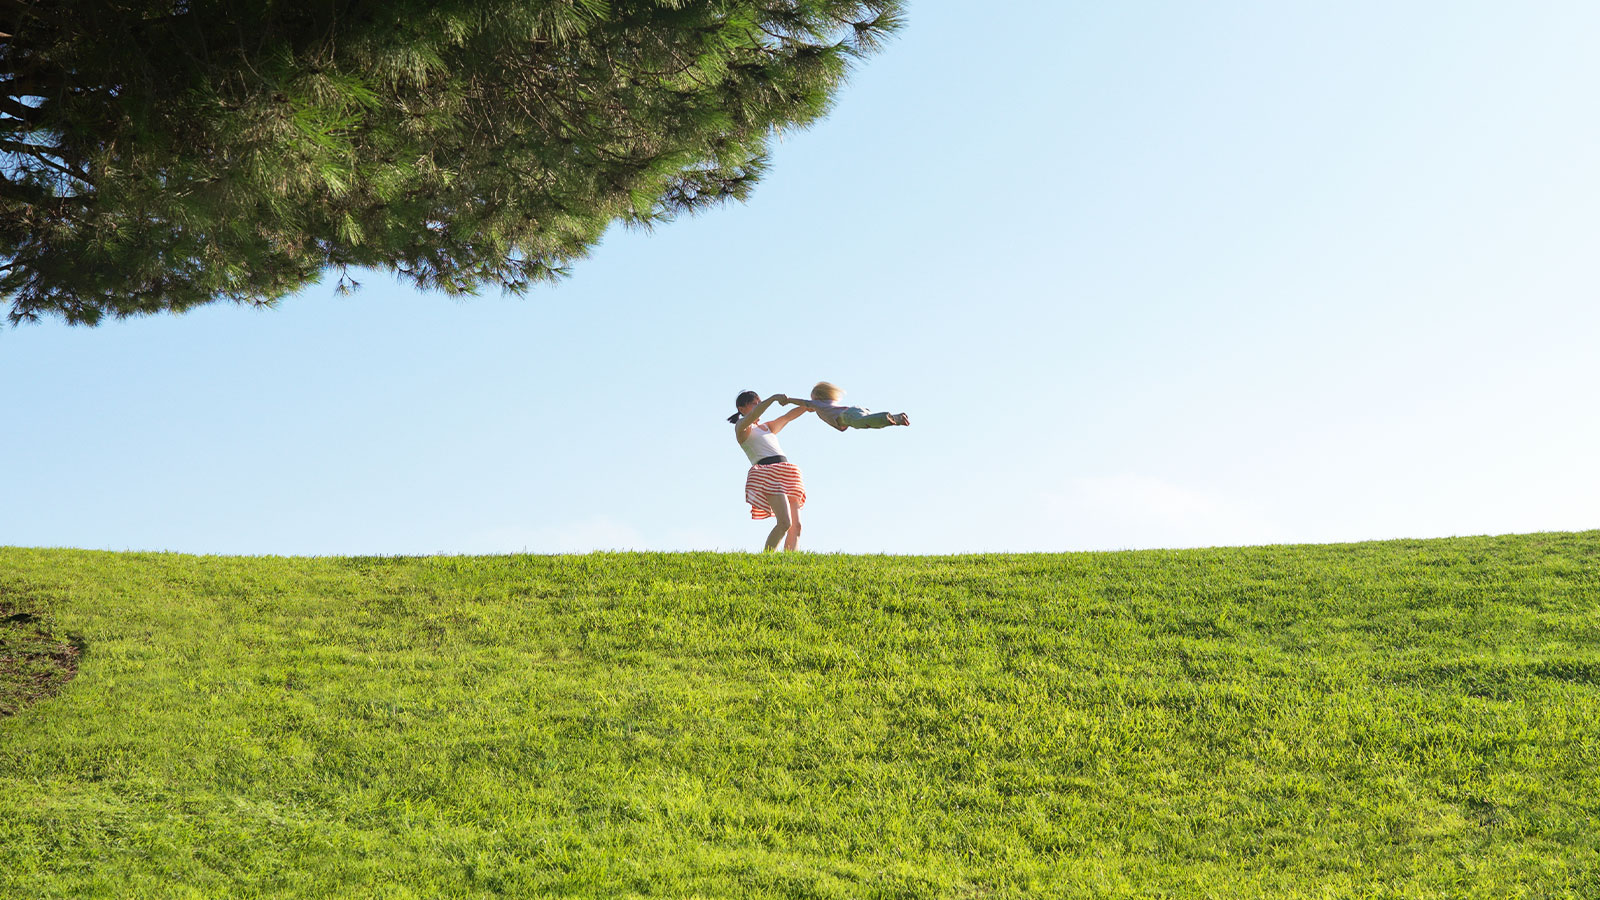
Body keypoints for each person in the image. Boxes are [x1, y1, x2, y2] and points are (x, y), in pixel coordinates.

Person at [729, 390, 811, 551]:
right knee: (784, 523)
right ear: (742, 408)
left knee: (797, 526)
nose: (758, 406)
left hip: (786, 472)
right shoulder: (742, 427)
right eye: (755, 403)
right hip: (767, 473)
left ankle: (790, 565)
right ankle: (767, 559)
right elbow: (753, 416)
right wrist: (772, 399)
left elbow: (788, 417)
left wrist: (810, 405)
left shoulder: (767, 427)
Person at [781, 381, 910, 432]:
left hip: (848, 415)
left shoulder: (819, 404)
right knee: (868, 424)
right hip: (852, 412)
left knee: (864, 422)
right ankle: (897, 419)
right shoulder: (825, 406)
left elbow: (804, 402)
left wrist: (788, 400)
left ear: (818, 397)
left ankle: (889, 417)